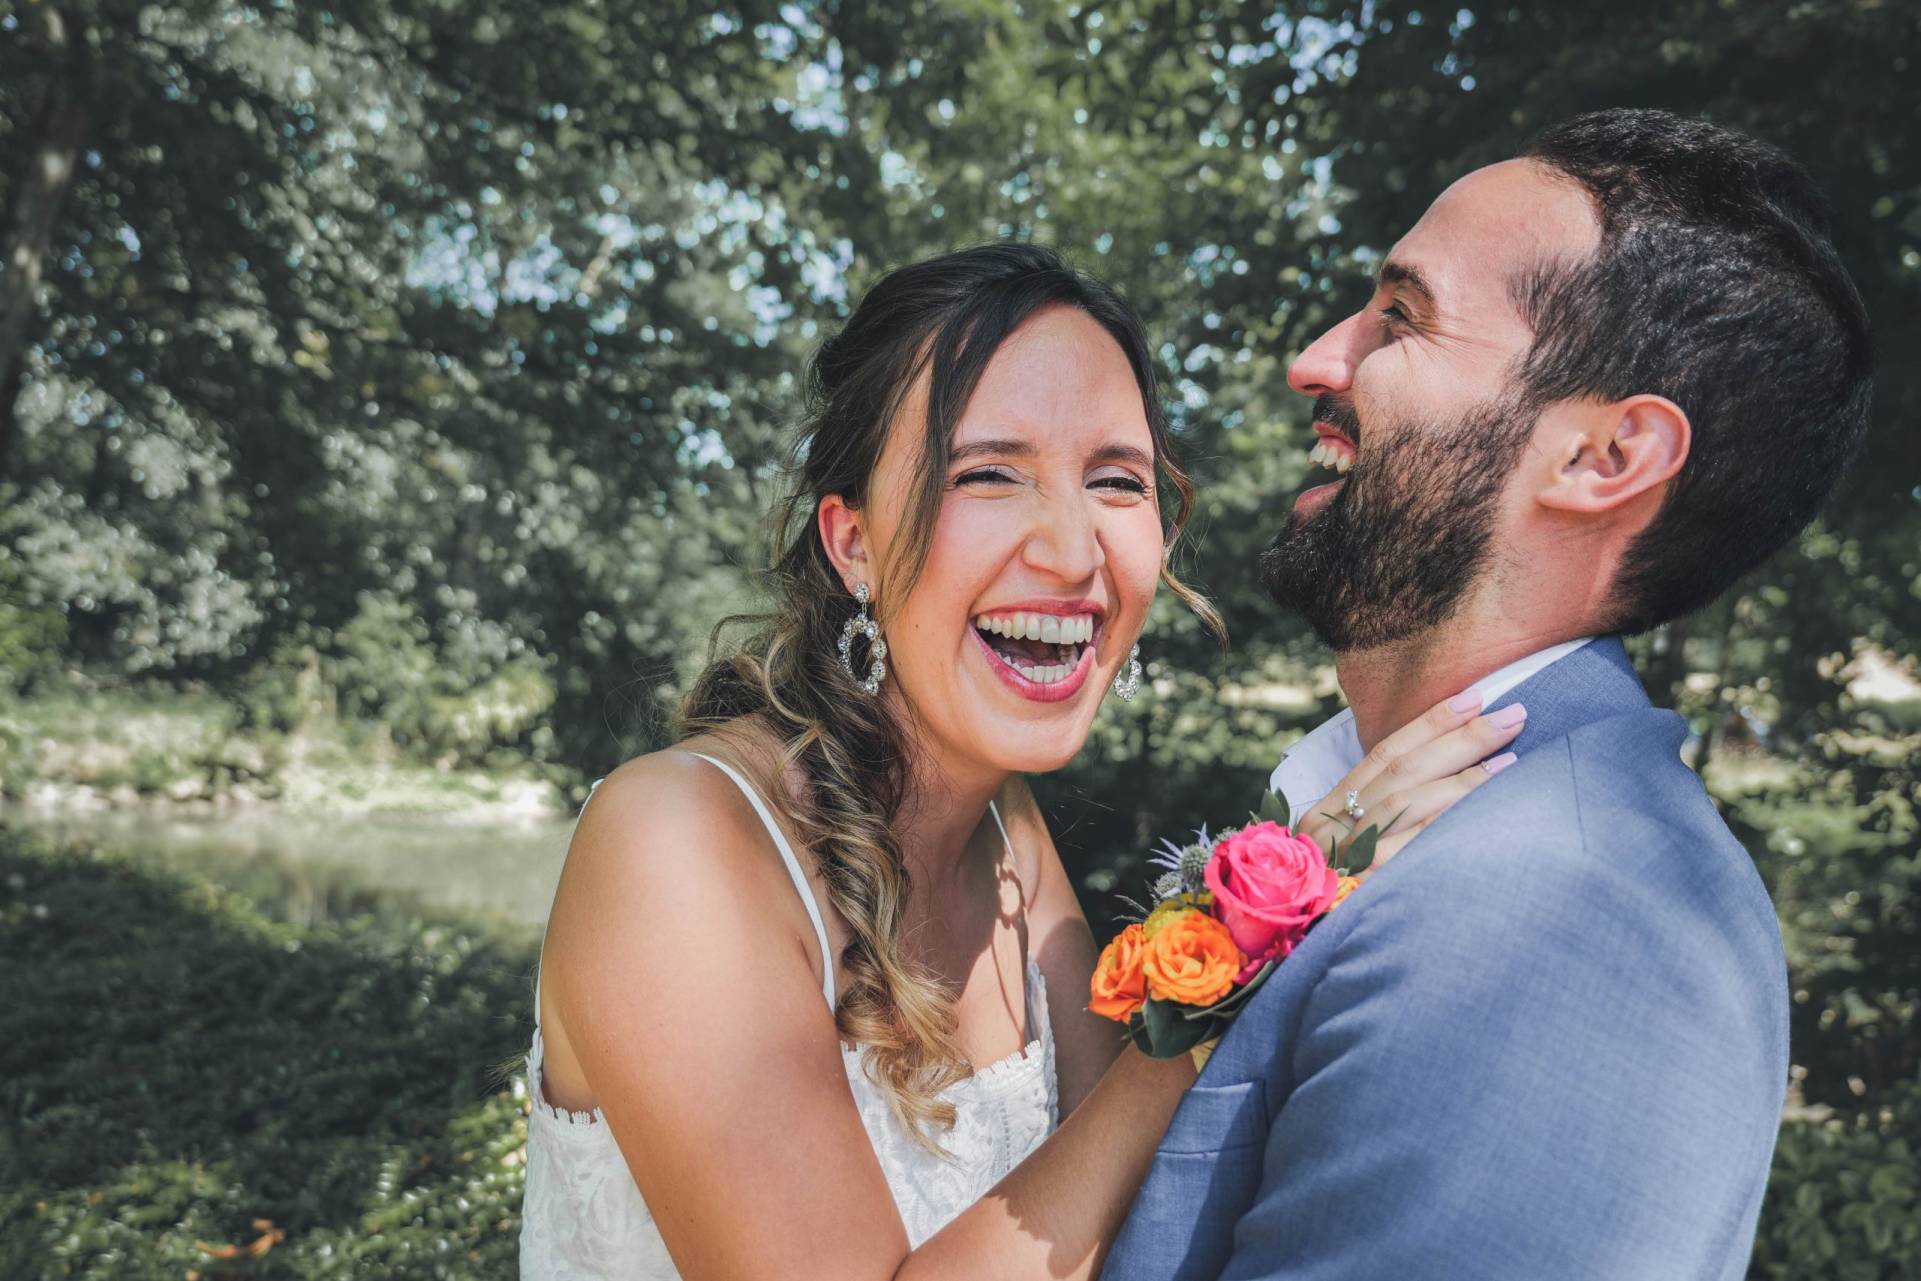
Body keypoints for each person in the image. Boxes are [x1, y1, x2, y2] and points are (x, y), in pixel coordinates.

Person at [517, 242, 1526, 1280]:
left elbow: (1136, 1210)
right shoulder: (676, 843)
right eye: (988, 474)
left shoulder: (1009, 836)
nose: (1071, 551)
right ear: (852, 542)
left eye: (1115, 480)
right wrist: (1228, 975)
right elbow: (1141, 1113)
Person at [1101, 108, 1873, 1280]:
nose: (1316, 358)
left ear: (1601, 459)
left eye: (1399, 319)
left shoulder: (1565, 917)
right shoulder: (1441, 835)